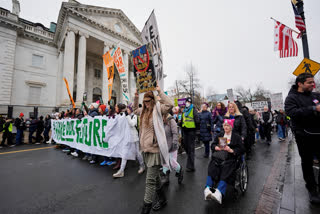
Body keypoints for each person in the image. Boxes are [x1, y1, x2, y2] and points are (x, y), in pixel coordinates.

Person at [134, 83, 173, 214]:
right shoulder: (142, 112)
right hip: (145, 150)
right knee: (156, 178)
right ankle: (162, 200)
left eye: (148, 101)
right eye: (144, 102)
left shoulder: (158, 109)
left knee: (150, 181)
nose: (146, 104)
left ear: (152, 100)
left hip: (155, 150)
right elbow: (134, 109)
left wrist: (159, 91)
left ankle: (145, 209)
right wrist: (135, 97)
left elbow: (170, 105)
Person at [285, 73, 320, 204]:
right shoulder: (291, 98)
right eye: (310, 82)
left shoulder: (316, 95)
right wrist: (313, 108)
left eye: (313, 82)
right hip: (304, 136)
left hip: (319, 134)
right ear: (300, 84)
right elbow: (292, 113)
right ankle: (312, 190)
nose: (313, 84)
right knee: (307, 163)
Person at [204, 119, 245, 204]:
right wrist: (216, 147)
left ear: (231, 127)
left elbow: (241, 149)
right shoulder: (220, 135)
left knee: (227, 167)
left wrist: (231, 150)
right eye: (224, 125)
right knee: (213, 164)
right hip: (220, 156)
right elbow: (213, 144)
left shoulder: (236, 137)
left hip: (231, 157)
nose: (226, 127)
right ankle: (208, 188)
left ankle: (219, 191)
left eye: (228, 126)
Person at [112, 104, 145, 178]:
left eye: (128, 109)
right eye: (126, 109)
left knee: (138, 153)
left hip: (134, 137)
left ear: (131, 110)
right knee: (124, 153)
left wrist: (127, 116)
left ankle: (142, 166)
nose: (127, 110)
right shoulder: (125, 115)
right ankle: (121, 171)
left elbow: (132, 124)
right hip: (127, 138)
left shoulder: (134, 116)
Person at [160, 111, 184, 185]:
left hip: (171, 145)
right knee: (164, 162)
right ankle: (166, 177)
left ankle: (179, 171)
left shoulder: (171, 120)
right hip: (163, 146)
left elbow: (175, 133)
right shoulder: (161, 121)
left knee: (173, 163)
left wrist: (174, 143)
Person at [181, 97, 199, 172]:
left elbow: (197, 120)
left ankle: (191, 166)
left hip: (191, 131)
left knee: (191, 149)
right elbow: (183, 120)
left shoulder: (193, 110)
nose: (187, 103)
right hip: (185, 131)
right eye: (187, 102)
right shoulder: (184, 110)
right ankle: (190, 159)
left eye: (189, 102)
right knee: (185, 146)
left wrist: (197, 131)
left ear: (191, 103)